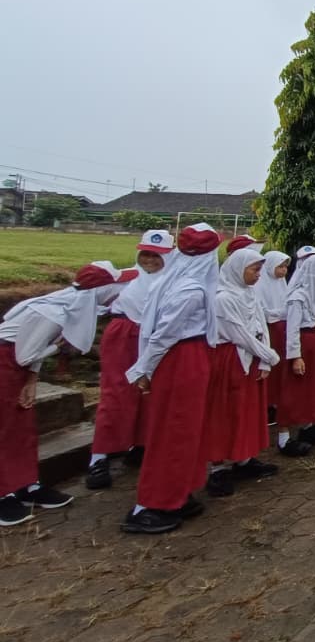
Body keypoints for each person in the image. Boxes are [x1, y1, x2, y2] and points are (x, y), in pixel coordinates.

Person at [1, 263, 134, 526]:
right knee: (5, 428)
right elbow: (27, 352)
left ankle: (25, 484)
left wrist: (31, 379)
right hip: (5, 364)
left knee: (22, 429)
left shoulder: (69, 306)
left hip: (18, 366)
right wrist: (58, 346)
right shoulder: (54, 312)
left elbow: (29, 355)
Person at [123, 223, 222, 534]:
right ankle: (151, 504)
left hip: (188, 357)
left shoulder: (174, 280)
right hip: (181, 360)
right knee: (173, 432)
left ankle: (179, 492)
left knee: (188, 431)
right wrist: (144, 369)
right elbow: (163, 335)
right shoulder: (190, 290)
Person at [87, 230, 175, 490]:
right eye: (146, 253)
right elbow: (88, 300)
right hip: (124, 336)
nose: (150, 260)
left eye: (157, 255)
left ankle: (141, 444)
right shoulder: (122, 279)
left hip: (157, 339)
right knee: (116, 394)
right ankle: (99, 457)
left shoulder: (174, 282)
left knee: (151, 393)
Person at [202, 247, 280, 497]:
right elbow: (240, 334)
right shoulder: (223, 298)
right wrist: (269, 356)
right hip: (231, 359)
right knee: (225, 412)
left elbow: (260, 327)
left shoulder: (250, 293)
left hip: (253, 357)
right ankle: (218, 468)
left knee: (247, 410)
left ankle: (244, 458)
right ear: (238, 269)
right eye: (254, 270)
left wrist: (266, 360)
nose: (259, 275)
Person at [280, 252, 315, 455]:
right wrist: (295, 356)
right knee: (295, 390)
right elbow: (292, 329)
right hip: (304, 345)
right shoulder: (298, 296)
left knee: (313, 388)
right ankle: (284, 438)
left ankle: (308, 426)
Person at [256, 251, 291, 428]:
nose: (283, 271)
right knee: (270, 367)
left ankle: (277, 402)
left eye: (285, 267)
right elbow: (261, 309)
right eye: (280, 266)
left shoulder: (281, 283)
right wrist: (278, 313)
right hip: (268, 329)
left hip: (282, 327)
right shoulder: (260, 283)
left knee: (281, 368)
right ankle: (266, 405)